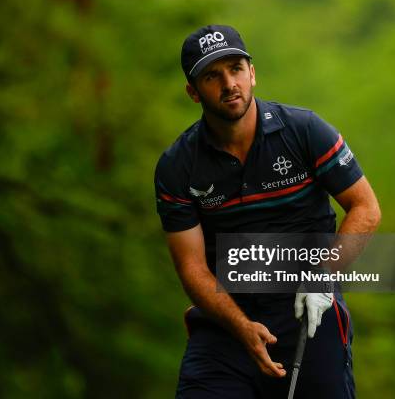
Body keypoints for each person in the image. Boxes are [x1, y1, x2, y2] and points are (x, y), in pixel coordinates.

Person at [154, 25, 381, 398]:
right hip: (226, 322)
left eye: (236, 68)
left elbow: (366, 208)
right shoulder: (177, 166)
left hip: (308, 309)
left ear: (252, 73)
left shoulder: (305, 130)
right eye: (213, 75)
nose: (229, 84)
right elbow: (191, 267)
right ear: (193, 92)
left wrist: (323, 274)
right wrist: (242, 327)